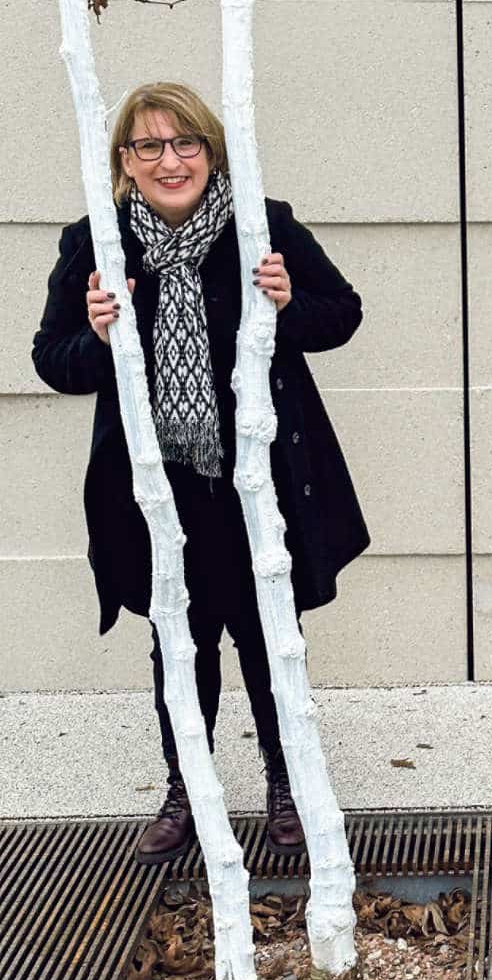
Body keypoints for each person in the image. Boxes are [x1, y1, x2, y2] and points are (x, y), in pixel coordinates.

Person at [32, 82, 369, 864]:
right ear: (125, 162)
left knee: (264, 637)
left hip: (259, 479)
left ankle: (285, 781)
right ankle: (188, 789)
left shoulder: (262, 226)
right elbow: (55, 363)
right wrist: (96, 331)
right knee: (178, 646)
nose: (169, 160)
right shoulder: (98, 241)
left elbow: (342, 313)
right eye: (149, 146)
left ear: (212, 153)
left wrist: (290, 304)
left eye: (186, 143)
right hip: (154, 489)